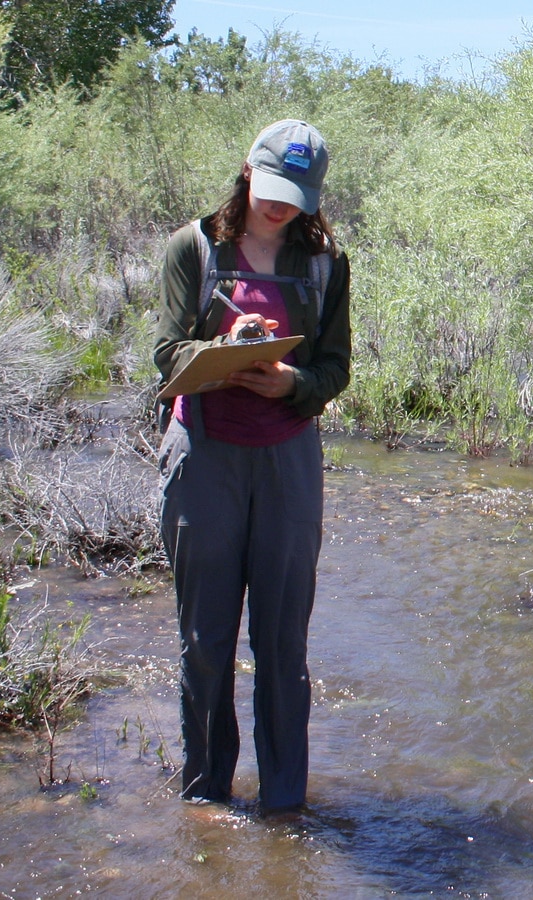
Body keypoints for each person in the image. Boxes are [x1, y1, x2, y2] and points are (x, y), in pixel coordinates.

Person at [153, 119, 351, 814]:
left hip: (288, 460)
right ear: (246, 172)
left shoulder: (326, 264)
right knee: (205, 641)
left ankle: (285, 805)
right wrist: (222, 347)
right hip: (204, 454)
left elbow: (334, 371)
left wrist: (290, 384)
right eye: (272, 189)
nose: (281, 205)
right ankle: (206, 802)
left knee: (281, 646)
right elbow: (166, 356)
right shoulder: (195, 248)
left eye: (296, 195)